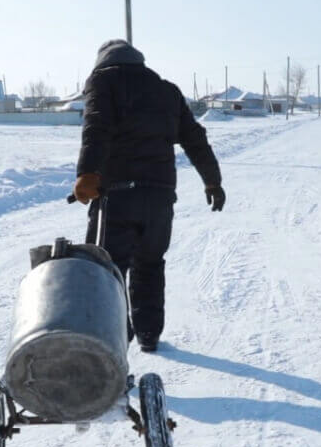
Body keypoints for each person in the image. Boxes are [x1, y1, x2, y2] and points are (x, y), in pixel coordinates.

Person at [73, 39, 225, 353]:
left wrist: (88, 173)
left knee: (108, 270)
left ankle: (114, 344)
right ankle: (149, 334)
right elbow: (195, 139)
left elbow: (96, 127)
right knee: (150, 264)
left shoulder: (103, 80)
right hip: (159, 197)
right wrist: (212, 181)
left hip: (116, 196)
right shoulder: (167, 90)